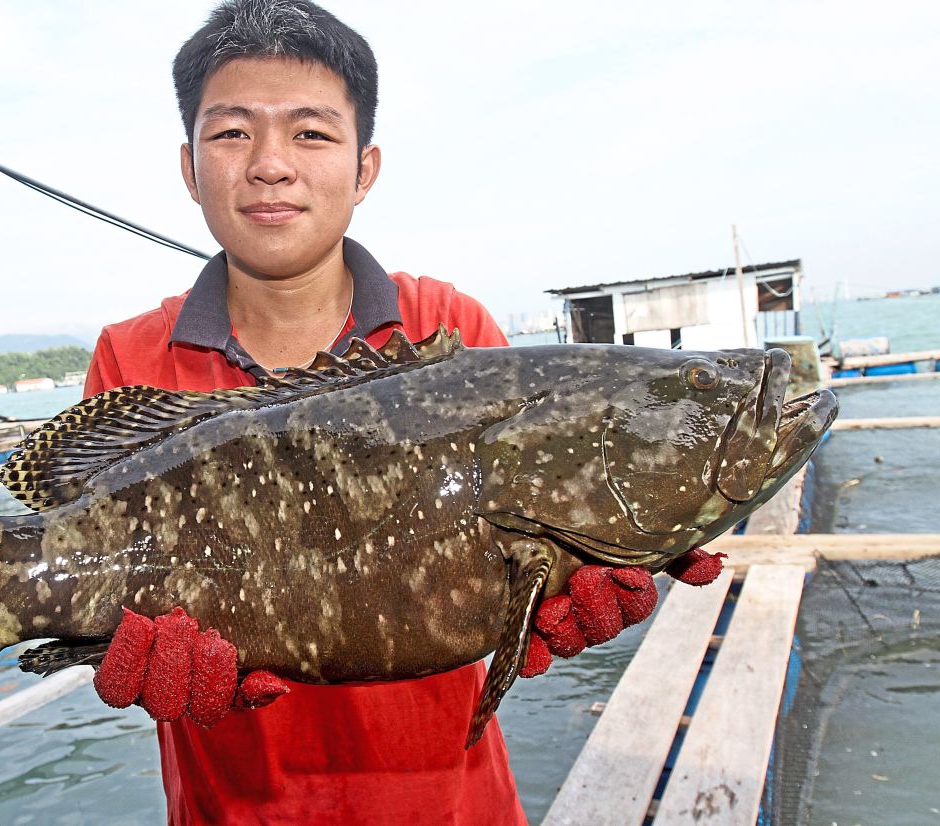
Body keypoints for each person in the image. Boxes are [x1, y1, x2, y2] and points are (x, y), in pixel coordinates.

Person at [81, 2, 724, 823]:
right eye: (232, 133)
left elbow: (529, 559)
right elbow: (98, 572)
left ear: (365, 168)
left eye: (311, 133)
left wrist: (575, 583)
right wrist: (128, 659)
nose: (271, 164)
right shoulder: (130, 355)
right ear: (188, 165)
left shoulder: (450, 333)